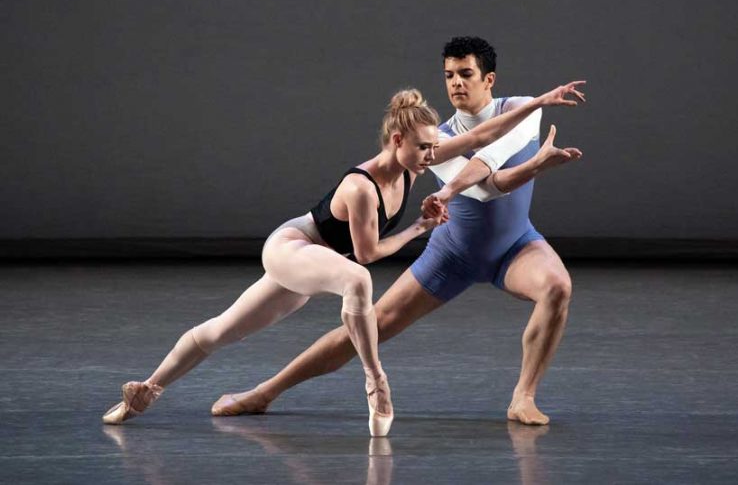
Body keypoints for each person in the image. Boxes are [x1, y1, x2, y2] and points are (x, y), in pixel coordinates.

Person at [102, 85, 560, 436]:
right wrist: (421, 228)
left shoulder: (413, 162)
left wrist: (540, 101)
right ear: (397, 139)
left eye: (432, 148)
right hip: (292, 248)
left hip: (315, 265)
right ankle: (376, 382)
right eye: (423, 148)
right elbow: (369, 254)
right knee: (359, 280)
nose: (431, 156)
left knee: (220, 330)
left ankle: (147, 389)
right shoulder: (363, 186)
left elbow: (484, 134)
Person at [212, 36, 585, 426]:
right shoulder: (431, 141)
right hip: (453, 254)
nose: (456, 82)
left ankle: (523, 398)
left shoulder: (524, 108)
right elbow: (490, 186)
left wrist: (535, 159)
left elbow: (492, 151)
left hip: (515, 246)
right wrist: (536, 166)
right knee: (366, 328)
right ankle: (264, 392)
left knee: (557, 287)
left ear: (489, 79)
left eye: (466, 74)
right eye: (449, 75)